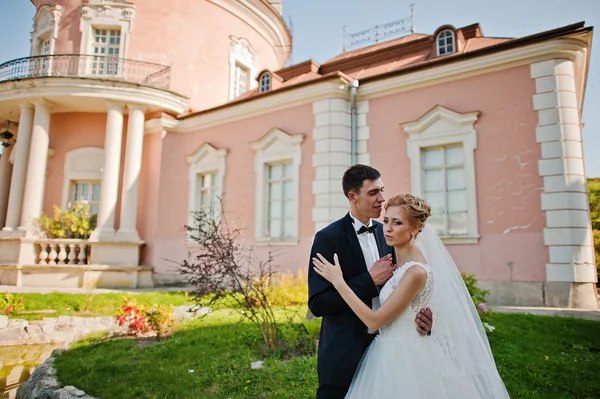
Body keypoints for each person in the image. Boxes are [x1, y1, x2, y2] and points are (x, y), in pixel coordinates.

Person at [312, 194, 510, 398]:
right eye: (386, 220)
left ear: (416, 228)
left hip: (403, 356)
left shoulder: (415, 271)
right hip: (383, 350)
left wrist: (339, 281)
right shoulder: (396, 259)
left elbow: (374, 320)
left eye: (397, 223)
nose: (387, 228)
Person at [307, 165, 433, 399]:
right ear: (353, 197)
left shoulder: (387, 233)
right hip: (344, 347)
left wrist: (421, 314)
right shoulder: (328, 238)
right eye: (373, 193)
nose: (382, 199)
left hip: (391, 347)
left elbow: (406, 282)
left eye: (382, 190)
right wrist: (367, 281)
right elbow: (317, 303)